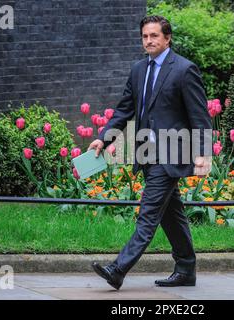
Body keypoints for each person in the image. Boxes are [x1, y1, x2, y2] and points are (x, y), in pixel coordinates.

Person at [88, 15, 212, 290]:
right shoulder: (137, 70)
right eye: (145, 36)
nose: (148, 41)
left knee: (149, 214)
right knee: (172, 214)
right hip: (147, 153)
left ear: (167, 38)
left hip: (172, 154)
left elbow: (199, 116)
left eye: (154, 35)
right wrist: (103, 139)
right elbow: (124, 110)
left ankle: (118, 269)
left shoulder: (184, 69)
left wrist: (203, 153)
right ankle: (186, 269)